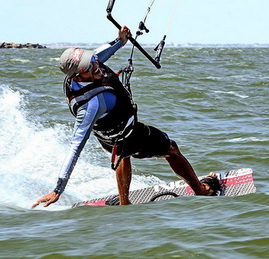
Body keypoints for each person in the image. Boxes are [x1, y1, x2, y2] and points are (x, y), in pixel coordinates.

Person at [32, 26, 220, 208]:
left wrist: (120, 40)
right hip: (129, 135)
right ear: (78, 77)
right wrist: (58, 189)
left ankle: (124, 203)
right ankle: (201, 191)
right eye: (89, 67)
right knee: (171, 149)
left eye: (92, 62)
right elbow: (76, 146)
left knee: (121, 153)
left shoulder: (87, 68)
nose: (96, 66)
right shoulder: (91, 105)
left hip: (109, 140)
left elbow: (101, 54)